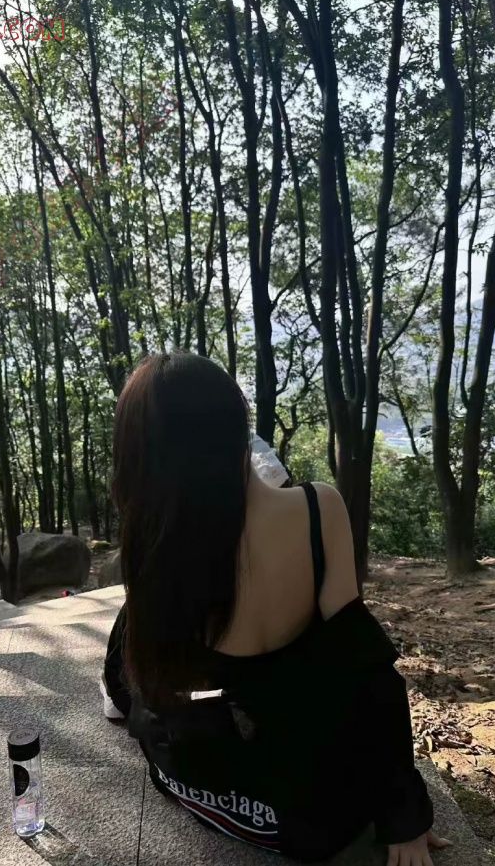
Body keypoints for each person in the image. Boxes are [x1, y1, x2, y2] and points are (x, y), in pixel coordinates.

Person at [101, 354, 449, 866]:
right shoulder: (316, 509)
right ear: (238, 426)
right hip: (310, 814)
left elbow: (138, 671)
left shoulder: (154, 539)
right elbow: (367, 670)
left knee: (130, 630)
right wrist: (405, 816)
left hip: (194, 782)